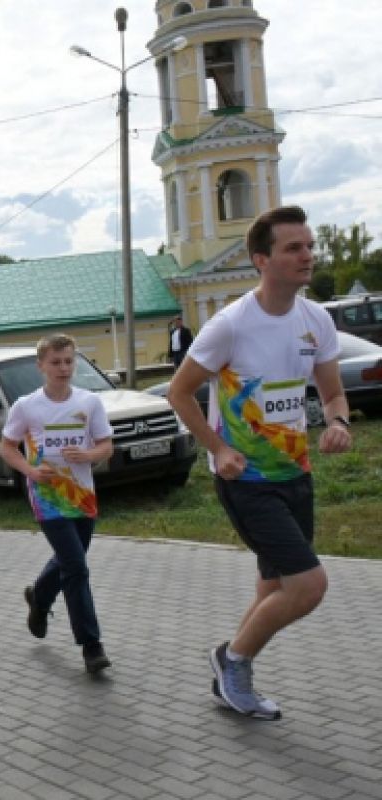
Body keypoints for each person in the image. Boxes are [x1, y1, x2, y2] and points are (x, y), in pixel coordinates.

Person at [167, 205, 351, 721]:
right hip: (244, 478)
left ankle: (230, 663)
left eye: (310, 246)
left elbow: (333, 393)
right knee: (308, 585)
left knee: (274, 588)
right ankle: (235, 662)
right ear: (261, 260)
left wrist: (338, 424)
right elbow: (179, 394)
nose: (308, 255)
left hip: (296, 474)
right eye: (294, 248)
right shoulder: (231, 325)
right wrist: (219, 449)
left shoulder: (316, 320)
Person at [0, 333, 115, 674]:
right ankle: (91, 645)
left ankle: (39, 596)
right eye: (55, 362)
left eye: (68, 361)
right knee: (76, 568)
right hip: (48, 499)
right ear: (41, 366)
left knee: (70, 560)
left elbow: (106, 445)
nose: (63, 368)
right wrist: (31, 472)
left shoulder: (89, 402)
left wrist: (88, 454)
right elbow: (7, 448)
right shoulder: (27, 406)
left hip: (82, 496)